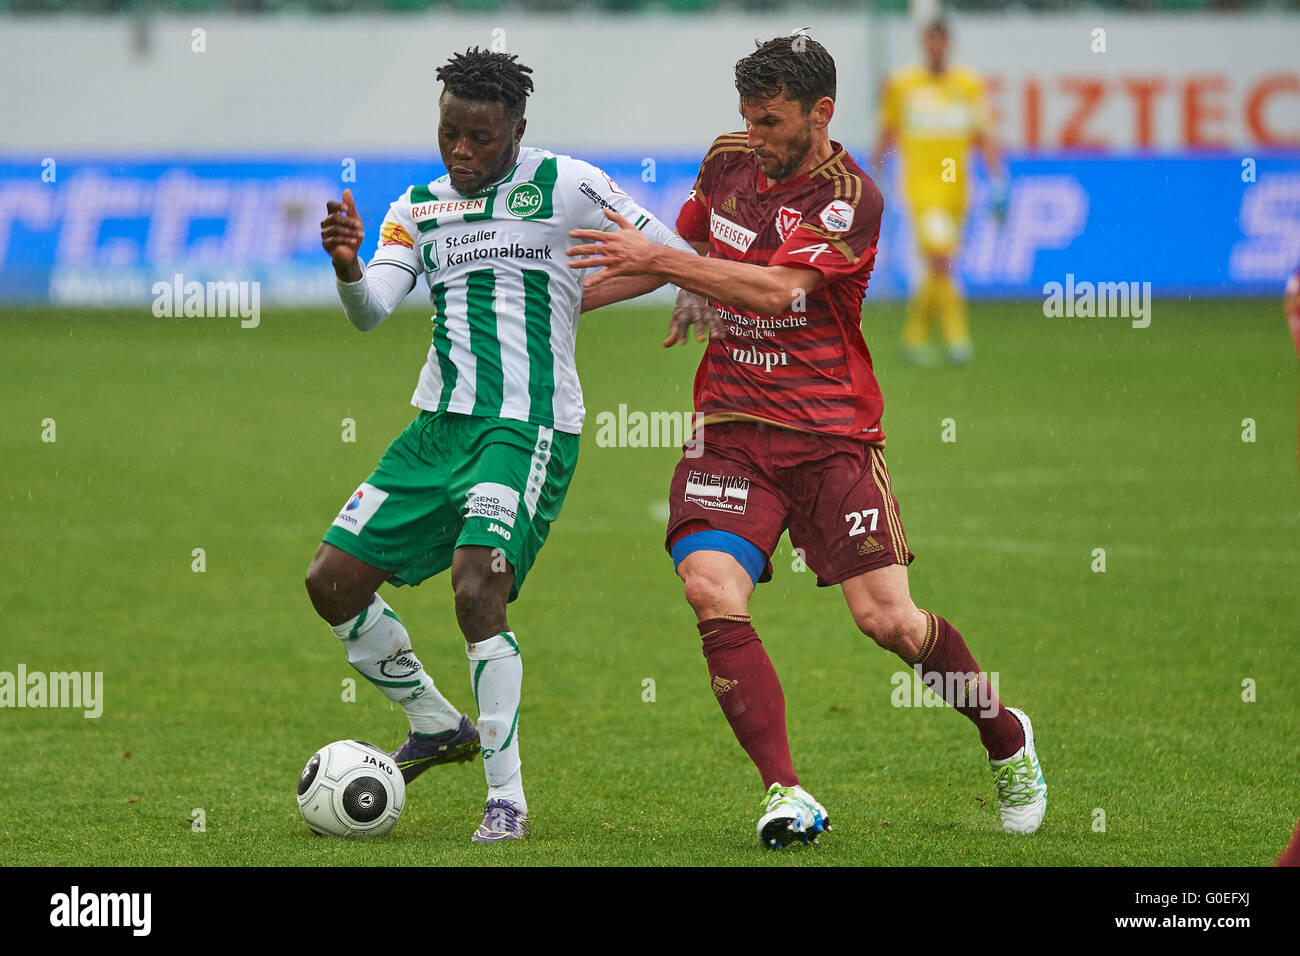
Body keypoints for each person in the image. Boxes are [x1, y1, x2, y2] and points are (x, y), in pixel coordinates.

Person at [570, 34, 1046, 849]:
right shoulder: (727, 160)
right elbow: (680, 256)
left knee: (889, 621)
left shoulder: (850, 196)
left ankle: (1005, 736)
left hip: (831, 438)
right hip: (731, 430)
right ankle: (785, 791)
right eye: (747, 118)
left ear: (820, 113)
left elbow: (776, 286)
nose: (755, 135)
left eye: (772, 120)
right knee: (710, 588)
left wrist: (676, 266)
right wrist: (558, 303)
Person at [308, 48, 697, 843]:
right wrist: (348, 265)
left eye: (480, 138)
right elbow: (370, 309)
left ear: (518, 129)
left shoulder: (569, 184)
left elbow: (667, 247)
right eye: (450, 133)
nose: (461, 152)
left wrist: (686, 284)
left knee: (475, 587)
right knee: (331, 582)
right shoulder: (417, 208)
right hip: (434, 430)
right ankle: (434, 722)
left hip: (526, 429)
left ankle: (506, 799)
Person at [874, 18, 1005, 365]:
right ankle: (956, 337)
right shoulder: (904, 85)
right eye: (930, 42)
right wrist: (874, 174)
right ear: (923, 44)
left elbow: (983, 137)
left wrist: (998, 181)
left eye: (941, 42)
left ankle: (913, 340)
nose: (936, 48)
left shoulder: (967, 85)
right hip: (921, 188)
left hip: (957, 189)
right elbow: (887, 132)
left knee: (940, 266)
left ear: (948, 44)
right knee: (941, 260)